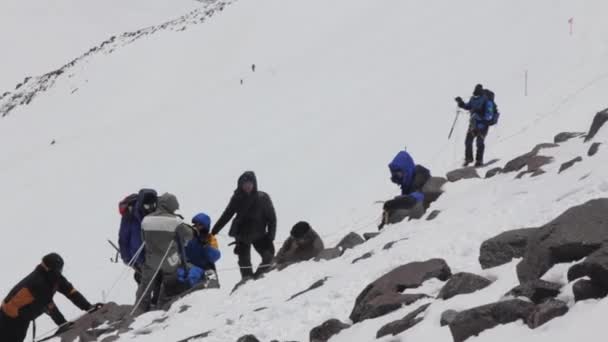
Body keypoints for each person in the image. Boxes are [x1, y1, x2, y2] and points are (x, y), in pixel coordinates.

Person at [0, 253, 102, 342]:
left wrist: (89, 307)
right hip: (11, 317)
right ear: (49, 269)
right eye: (59, 269)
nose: (61, 271)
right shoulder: (38, 282)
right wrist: (63, 324)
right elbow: (49, 306)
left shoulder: (53, 277)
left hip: (22, 314)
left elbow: (71, 292)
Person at [211, 171, 277, 280]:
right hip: (242, 236)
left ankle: (257, 278)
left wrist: (270, 237)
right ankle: (247, 282)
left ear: (254, 184)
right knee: (245, 265)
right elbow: (227, 215)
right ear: (240, 185)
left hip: (260, 235)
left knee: (268, 258)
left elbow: (272, 219)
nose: (247, 186)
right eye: (244, 183)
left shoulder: (263, 198)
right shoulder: (237, 198)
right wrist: (214, 230)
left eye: (250, 183)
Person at [134, 193, 192, 315]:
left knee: (145, 285)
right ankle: (164, 307)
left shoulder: (146, 220)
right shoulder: (175, 221)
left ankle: (139, 309)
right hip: (170, 259)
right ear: (170, 206)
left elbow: (143, 239)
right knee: (169, 282)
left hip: (151, 259)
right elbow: (188, 235)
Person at [380, 150, 431, 228]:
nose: (397, 179)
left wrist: (397, 203)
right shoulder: (407, 186)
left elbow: (416, 197)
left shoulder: (420, 177)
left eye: (398, 174)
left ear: (406, 170)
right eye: (394, 175)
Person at [455, 84, 495, 167]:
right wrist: (461, 102)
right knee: (468, 141)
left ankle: (479, 161)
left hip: (483, 125)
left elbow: (489, 115)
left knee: (479, 142)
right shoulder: (473, 98)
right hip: (473, 124)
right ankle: (468, 159)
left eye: (477, 93)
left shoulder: (487, 100)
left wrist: (479, 116)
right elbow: (468, 106)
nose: (475, 95)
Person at [179, 213, 221, 289]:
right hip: (187, 265)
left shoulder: (210, 238)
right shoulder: (188, 235)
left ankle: (188, 288)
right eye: (195, 224)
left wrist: (205, 245)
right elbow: (180, 250)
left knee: (195, 274)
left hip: (204, 268)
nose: (197, 227)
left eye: (200, 225)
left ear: (206, 227)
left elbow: (215, 256)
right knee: (178, 274)